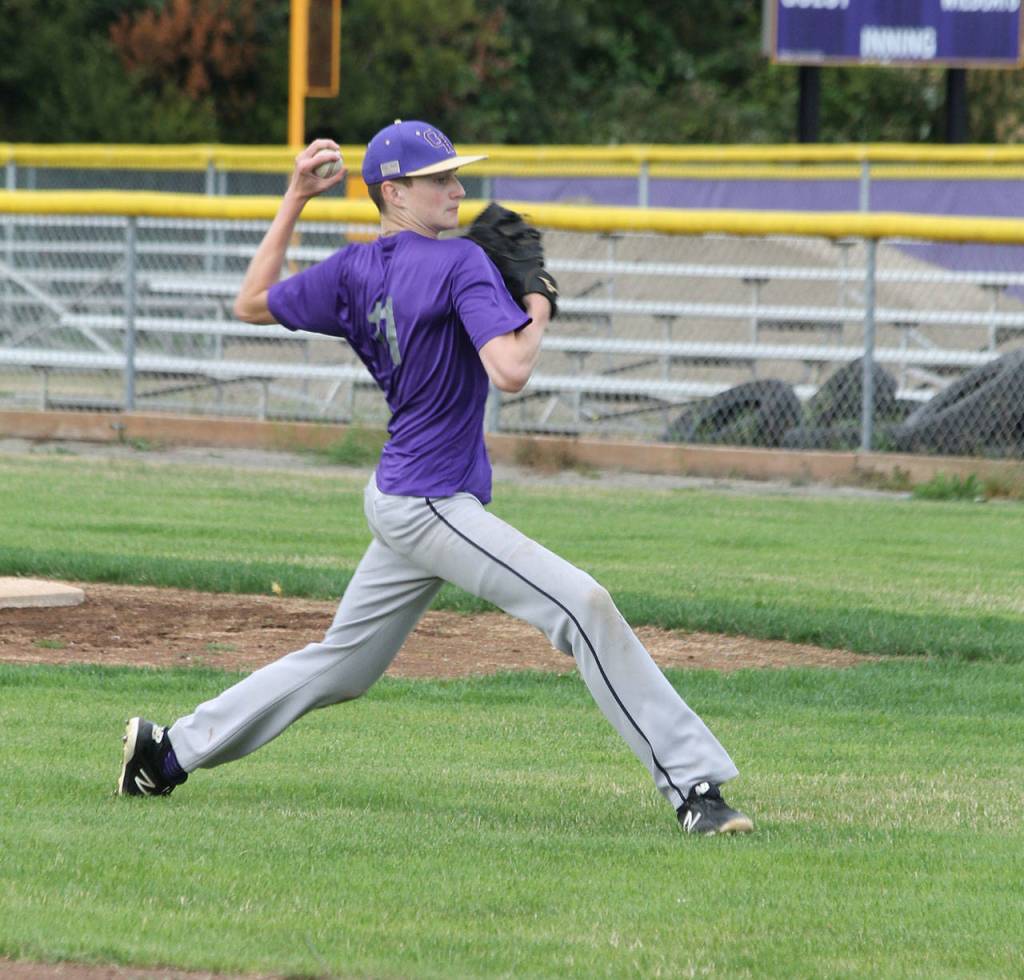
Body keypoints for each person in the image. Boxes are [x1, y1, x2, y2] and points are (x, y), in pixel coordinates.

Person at [117, 120, 753, 836]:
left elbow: (251, 302)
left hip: (400, 492)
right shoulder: (459, 265)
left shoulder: (354, 270)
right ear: (394, 191)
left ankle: (166, 754)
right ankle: (694, 787)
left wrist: (294, 197)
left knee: (343, 666)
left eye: (456, 175)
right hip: (429, 501)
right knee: (582, 605)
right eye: (438, 179)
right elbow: (511, 371)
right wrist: (540, 301)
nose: (457, 189)